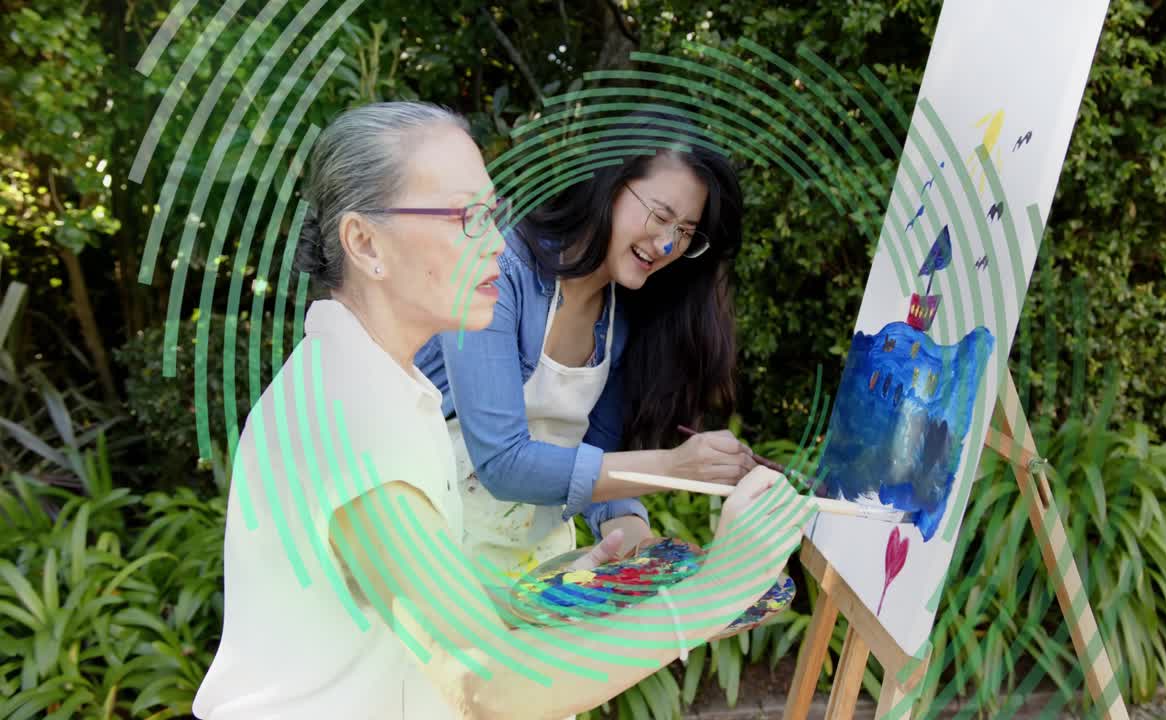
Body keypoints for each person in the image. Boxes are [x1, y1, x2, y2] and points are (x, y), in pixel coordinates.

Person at [192, 101, 810, 720]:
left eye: (491, 215)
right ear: (365, 242)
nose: (496, 243)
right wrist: (711, 592)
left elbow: (422, 604)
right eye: (465, 218)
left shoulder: (387, 388)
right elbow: (484, 681)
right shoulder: (352, 417)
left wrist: (542, 598)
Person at [414, 112, 757, 579]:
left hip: (526, 573)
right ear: (610, 182)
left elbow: (602, 473)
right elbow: (502, 462)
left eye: (684, 234)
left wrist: (644, 548)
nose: (666, 245)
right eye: (661, 217)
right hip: (424, 558)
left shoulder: (620, 321)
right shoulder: (499, 270)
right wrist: (673, 467)